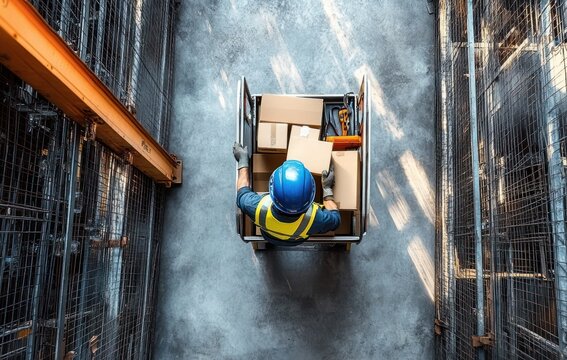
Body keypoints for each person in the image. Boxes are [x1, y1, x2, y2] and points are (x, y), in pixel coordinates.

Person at [233, 142, 340, 246]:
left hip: (269, 236)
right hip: (296, 240)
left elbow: (242, 193)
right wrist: (327, 189)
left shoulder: (256, 207)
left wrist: (243, 161)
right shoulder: (316, 219)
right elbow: (336, 220)